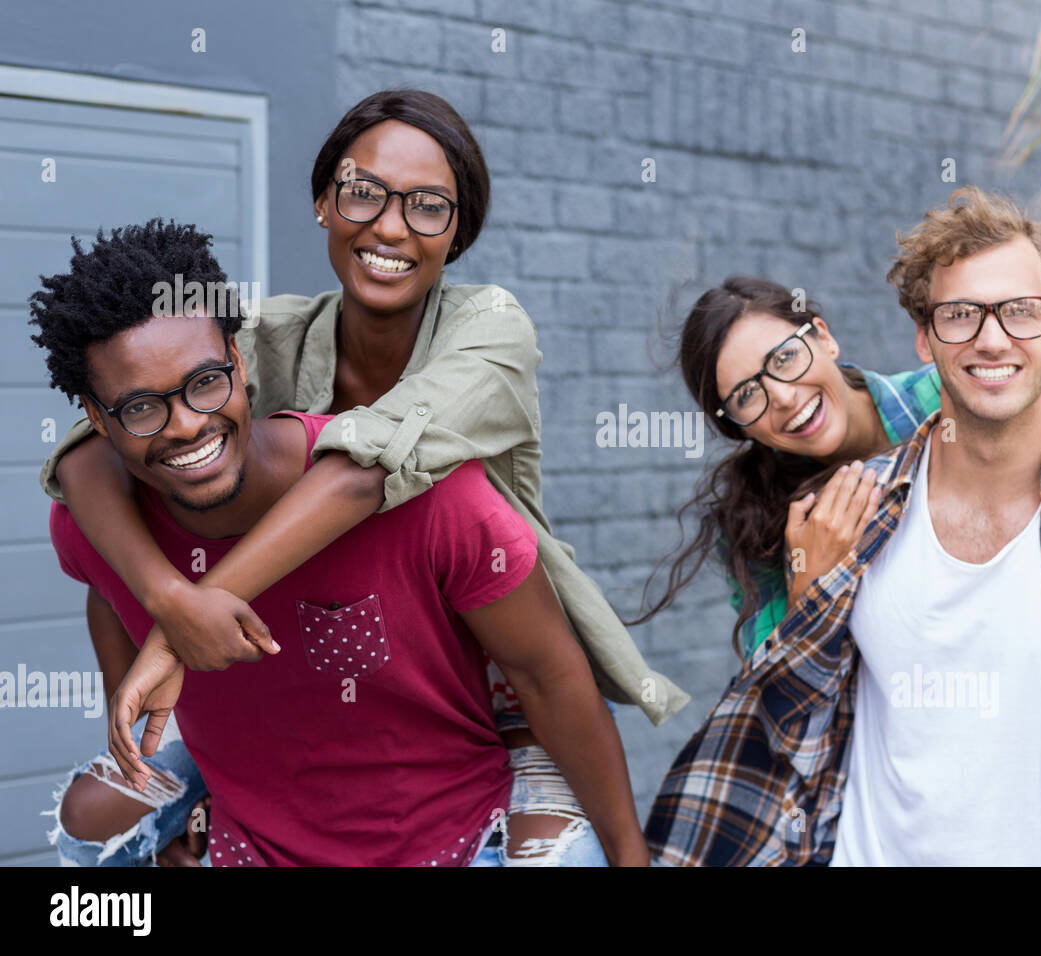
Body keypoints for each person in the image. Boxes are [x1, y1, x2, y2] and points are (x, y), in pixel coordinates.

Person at [39, 88, 685, 867]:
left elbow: (363, 472)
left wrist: (195, 615)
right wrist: (169, 604)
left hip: (484, 651)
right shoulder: (264, 334)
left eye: (428, 207)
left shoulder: (492, 329)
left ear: (459, 233)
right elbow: (87, 452)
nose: (389, 225)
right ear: (323, 202)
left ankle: (526, 761)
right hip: (312, 676)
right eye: (363, 193)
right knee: (96, 826)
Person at [644, 187, 1041, 866]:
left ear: (820, 336)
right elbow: (786, 715)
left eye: (785, 361)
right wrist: (808, 594)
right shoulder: (786, 522)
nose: (783, 399)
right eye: (747, 397)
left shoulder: (947, 392)